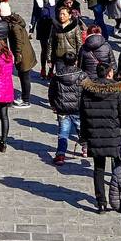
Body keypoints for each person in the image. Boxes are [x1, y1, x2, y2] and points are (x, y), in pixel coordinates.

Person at [80, 60, 121, 213]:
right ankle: (119, 199)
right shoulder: (116, 90)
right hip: (113, 134)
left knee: (98, 168)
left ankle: (101, 202)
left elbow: (83, 115)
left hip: (95, 134)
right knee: (118, 168)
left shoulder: (88, 90)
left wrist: (83, 137)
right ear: (109, 73)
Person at [49, 23, 84, 163]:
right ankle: (86, 148)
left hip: (62, 108)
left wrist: (53, 104)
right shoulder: (81, 74)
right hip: (77, 107)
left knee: (63, 132)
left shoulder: (58, 76)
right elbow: (86, 91)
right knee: (82, 130)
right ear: (75, 61)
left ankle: (61, 154)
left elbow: (52, 92)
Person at [31, 0, 59, 77]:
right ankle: (43, 68)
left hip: (53, 26)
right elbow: (34, 13)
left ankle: (51, 70)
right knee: (44, 49)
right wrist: (31, 29)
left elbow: (59, 12)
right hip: (42, 26)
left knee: (52, 49)